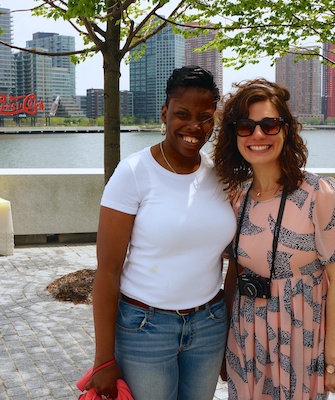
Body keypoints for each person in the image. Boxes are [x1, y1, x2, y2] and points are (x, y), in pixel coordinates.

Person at [85, 66, 236, 400]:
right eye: (182, 114)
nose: (195, 127)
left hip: (210, 324)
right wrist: (102, 360)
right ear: (165, 113)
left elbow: (234, 260)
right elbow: (108, 271)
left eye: (205, 117)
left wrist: (228, 333)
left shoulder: (219, 176)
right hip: (145, 328)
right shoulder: (133, 173)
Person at [214, 78, 335, 399]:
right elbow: (234, 274)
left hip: (301, 337)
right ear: (234, 135)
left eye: (269, 124)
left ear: (285, 130)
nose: (258, 135)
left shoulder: (319, 194)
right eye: (245, 126)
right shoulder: (237, 198)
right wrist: (224, 345)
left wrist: (332, 360)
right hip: (246, 337)